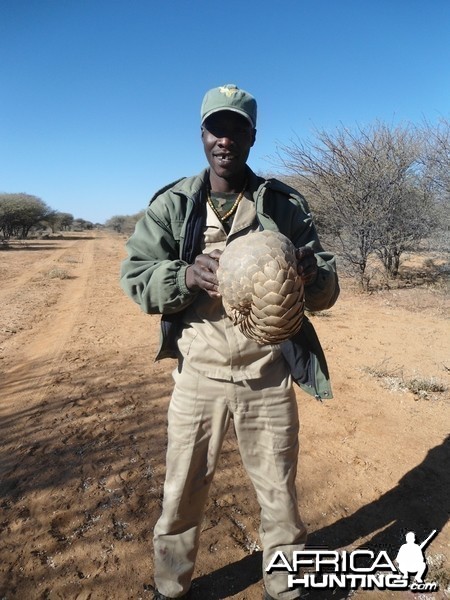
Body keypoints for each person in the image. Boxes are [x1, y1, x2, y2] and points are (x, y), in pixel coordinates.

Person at [120, 84, 339, 600]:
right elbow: (135, 276)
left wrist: (312, 274)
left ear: (252, 136)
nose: (226, 139)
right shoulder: (174, 205)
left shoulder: (283, 204)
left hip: (267, 376)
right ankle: (170, 587)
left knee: (280, 495)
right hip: (199, 377)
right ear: (202, 135)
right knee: (181, 495)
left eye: (237, 128)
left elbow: (326, 288)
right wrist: (184, 277)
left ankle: (285, 587)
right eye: (216, 128)